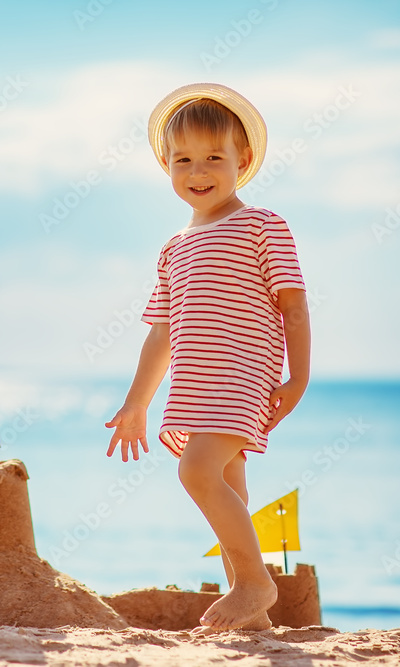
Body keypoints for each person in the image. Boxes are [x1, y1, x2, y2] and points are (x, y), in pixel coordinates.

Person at [105, 83, 311, 632]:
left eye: (214, 157)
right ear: (167, 167)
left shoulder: (262, 224)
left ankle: (253, 584)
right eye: (183, 160)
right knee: (232, 493)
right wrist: (137, 403)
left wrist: (300, 377)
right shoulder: (174, 247)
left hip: (243, 376)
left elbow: (292, 305)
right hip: (194, 386)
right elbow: (162, 333)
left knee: (195, 471)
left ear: (242, 161)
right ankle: (254, 619)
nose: (199, 170)